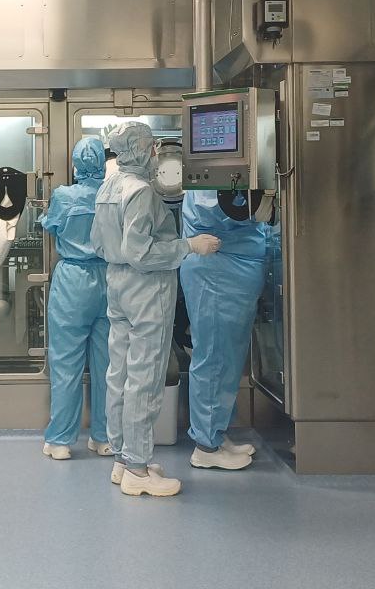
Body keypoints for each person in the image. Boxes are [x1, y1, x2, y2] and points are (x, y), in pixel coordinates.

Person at [92, 122, 221, 497]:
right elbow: (141, 253)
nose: (156, 154)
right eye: (152, 147)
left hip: (117, 285)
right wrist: (190, 246)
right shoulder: (141, 191)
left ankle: (122, 459)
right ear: (142, 150)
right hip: (146, 289)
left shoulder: (108, 187)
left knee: (119, 373)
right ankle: (137, 469)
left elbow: (98, 243)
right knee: (144, 377)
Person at [181, 190, 267, 470]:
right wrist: (259, 204)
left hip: (233, 263)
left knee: (227, 358)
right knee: (214, 356)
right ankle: (206, 446)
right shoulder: (209, 180)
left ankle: (217, 434)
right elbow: (217, 209)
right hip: (218, 268)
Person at [42, 137, 112, 460]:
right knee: (107, 365)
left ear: (75, 165)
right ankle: (104, 437)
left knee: (66, 363)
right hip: (109, 280)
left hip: (72, 281)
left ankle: (60, 441)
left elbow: (50, 225)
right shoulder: (112, 195)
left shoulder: (63, 196)